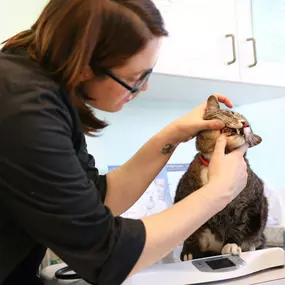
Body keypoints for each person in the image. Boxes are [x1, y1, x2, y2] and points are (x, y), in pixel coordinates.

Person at [0, 1, 248, 285]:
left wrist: (174, 134)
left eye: (148, 73)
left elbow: (98, 198)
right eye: (135, 77)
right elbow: (104, 255)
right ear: (84, 65)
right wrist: (218, 192)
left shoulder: (43, 88)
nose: (144, 88)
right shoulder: (25, 106)